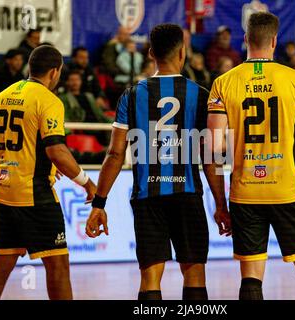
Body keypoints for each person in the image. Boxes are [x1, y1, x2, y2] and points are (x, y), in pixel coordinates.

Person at [85, 24, 226, 301]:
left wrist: (99, 203)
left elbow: (114, 155)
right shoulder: (201, 95)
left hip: (147, 197)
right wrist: (221, 204)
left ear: (150, 53)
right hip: (187, 195)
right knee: (195, 273)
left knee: (150, 277)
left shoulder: (132, 94)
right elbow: (211, 156)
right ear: (183, 53)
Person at [207, 12, 295, 300]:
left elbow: (214, 150)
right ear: (274, 41)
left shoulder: (223, 83)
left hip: (245, 193)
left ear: (245, 40)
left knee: (251, 277)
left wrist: (220, 204)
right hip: (288, 190)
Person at [0, 45, 97, 300]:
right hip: (34, 194)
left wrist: (25, 160)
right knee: (58, 265)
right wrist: (87, 183)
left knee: (0, 266)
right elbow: (58, 151)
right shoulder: (48, 100)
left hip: (1, 191)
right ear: (55, 72)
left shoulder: (2, 96)